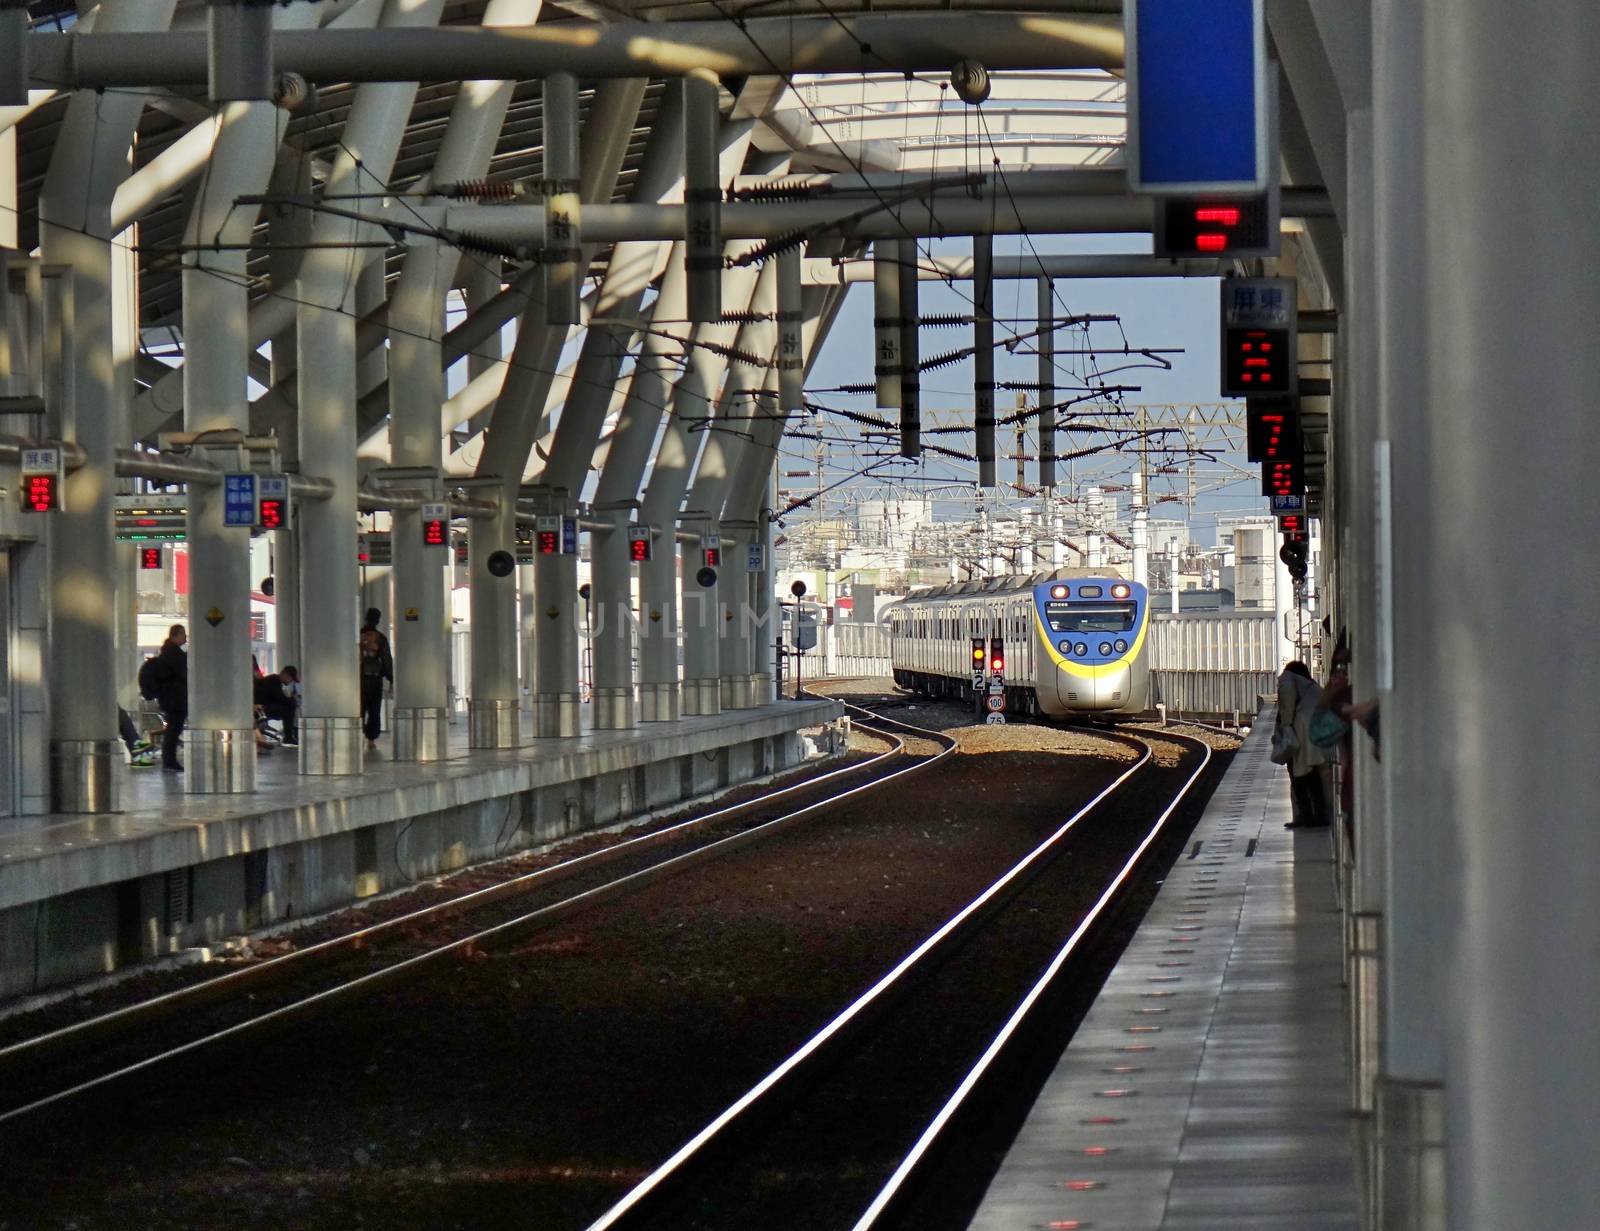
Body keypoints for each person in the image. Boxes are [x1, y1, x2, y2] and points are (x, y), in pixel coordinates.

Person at [1276, 660, 1330, 829]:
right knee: (1312, 773)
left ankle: (1305, 815)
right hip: (1316, 729)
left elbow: (1287, 703)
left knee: (1298, 773)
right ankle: (1319, 814)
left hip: (1301, 730)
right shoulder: (1311, 686)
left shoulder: (1287, 678)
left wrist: (1285, 725)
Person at [155, 623, 189, 773]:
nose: (185, 637)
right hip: (175, 699)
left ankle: (169, 760)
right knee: (174, 729)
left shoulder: (166, 652)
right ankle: (169, 761)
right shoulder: (174, 654)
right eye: (183, 634)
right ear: (177, 635)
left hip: (169, 698)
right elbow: (183, 675)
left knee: (172, 729)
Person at [254, 665, 300, 747]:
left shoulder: (273, 680)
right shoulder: (274, 680)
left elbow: (277, 698)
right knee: (290, 706)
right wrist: (292, 699)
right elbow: (279, 698)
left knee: (290, 706)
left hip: (262, 707)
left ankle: (289, 736)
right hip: (262, 709)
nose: (290, 682)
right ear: (286, 675)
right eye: (291, 680)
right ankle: (288, 737)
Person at [359, 629, 386, 750]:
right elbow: (386, 660)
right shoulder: (380, 638)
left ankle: (363, 735)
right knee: (374, 712)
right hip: (374, 682)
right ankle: (371, 738)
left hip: (361, 682)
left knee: (361, 711)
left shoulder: (359, 638)